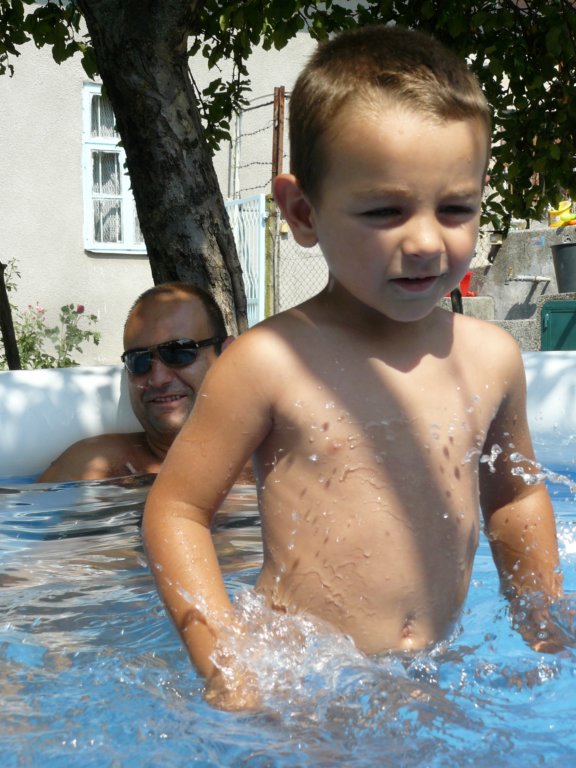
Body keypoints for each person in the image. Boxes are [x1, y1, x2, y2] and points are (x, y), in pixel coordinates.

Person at [143, 26, 568, 706]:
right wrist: (227, 661)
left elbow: (514, 498)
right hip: (302, 685)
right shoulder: (270, 362)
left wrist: (543, 619)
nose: (425, 241)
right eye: (385, 210)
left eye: (455, 208)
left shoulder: (491, 358)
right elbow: (177, 511)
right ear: (302, 211)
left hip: (433, 677)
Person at [38, 282, 252, 482]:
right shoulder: (91, 467)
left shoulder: (268, 462)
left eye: (178, 352)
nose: (158, 379)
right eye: (138, 359)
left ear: (228, 354)